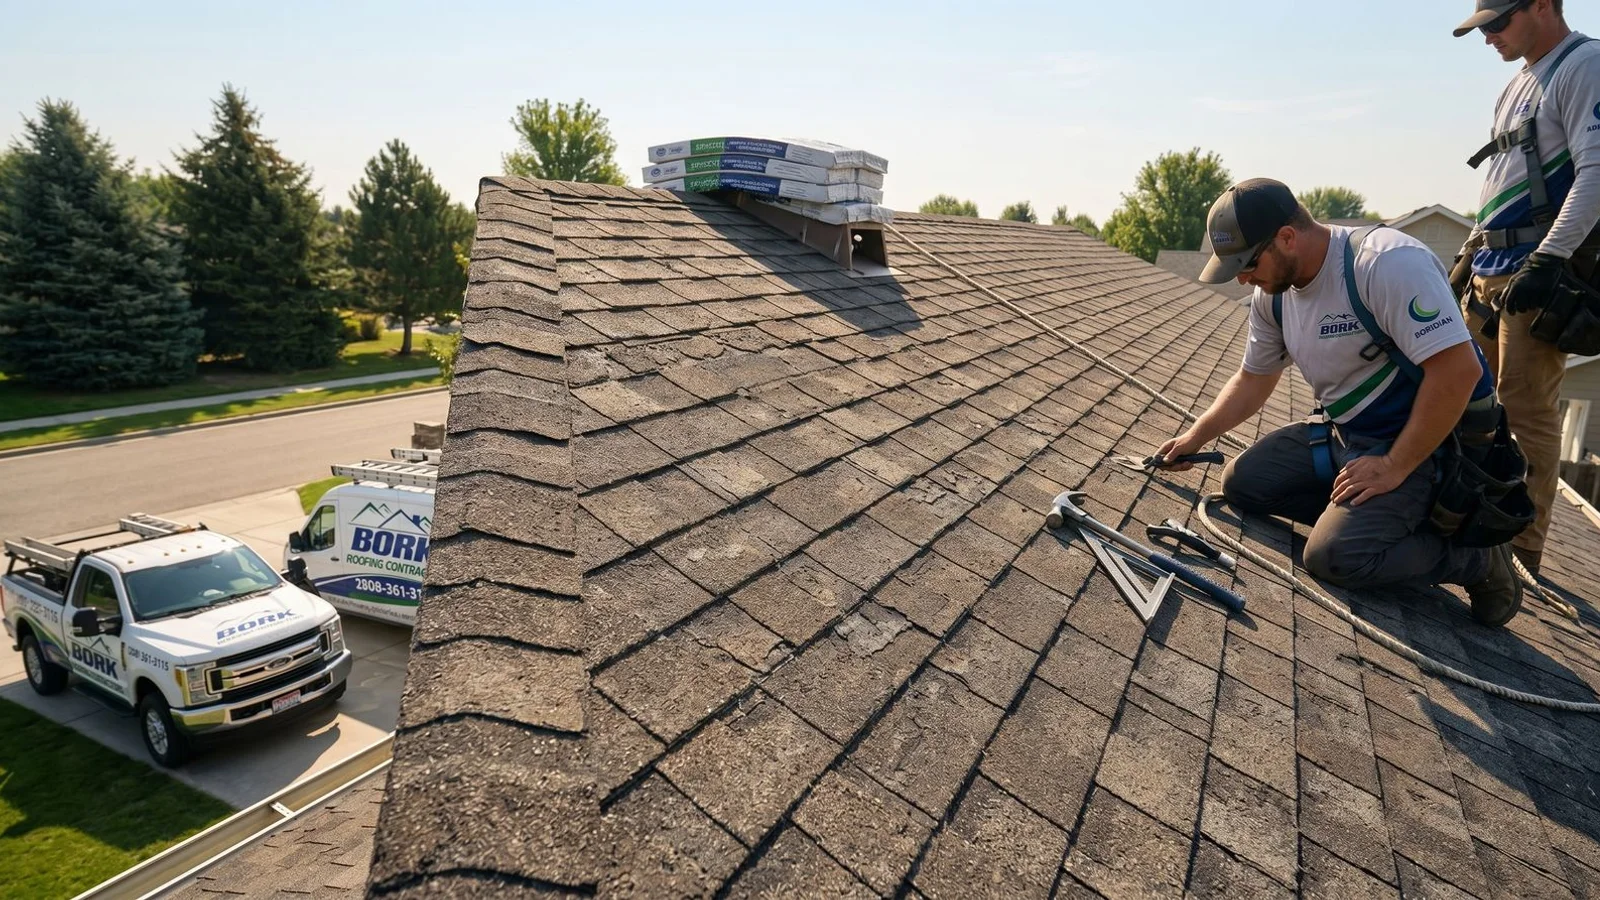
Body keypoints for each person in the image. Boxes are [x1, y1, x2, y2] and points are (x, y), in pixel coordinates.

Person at [1158, 178, 1523, 626]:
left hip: (1423, 445)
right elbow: (1254, 378)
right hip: (1344, 433)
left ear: (1287, 238)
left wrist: (1393, 466)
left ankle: (1476, 560)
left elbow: (1458, 372)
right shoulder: (1274, 297)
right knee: (1243, 484)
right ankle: (1370, 520)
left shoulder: (1385, 264)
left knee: (1335, 557)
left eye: (1248, 263)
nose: (1243, 278)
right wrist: (1194, 438)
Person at [1451, 0, 1600, 577]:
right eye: (1480, 27)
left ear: (1542, 4)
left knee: (1525, 407)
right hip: (1493, 260)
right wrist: (1470, 248)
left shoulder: (1583, 65)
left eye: (1496, 22)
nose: (1487, 36)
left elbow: (1595, 173)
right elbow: (1502, 177)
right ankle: (1460, 518)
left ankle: (1520, 551)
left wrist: (1548, 259)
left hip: (1536, 269)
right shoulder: (1519, 81)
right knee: (1462, 394)